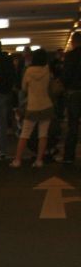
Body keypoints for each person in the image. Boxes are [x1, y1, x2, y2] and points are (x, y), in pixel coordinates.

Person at [11, 48, 54, 168]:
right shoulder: (47, 69)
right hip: (46, 105)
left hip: (32, 106)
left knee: (25, 134)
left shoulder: (29, 71)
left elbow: (24, 87)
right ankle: (39, 160)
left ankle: (17, 160)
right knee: (43, 134)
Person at [60, 30, 81, 165]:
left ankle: (69, 156)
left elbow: (66, 76)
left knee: (73, 125)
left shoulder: (70, 56)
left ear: (73, 42)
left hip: (74, 93)